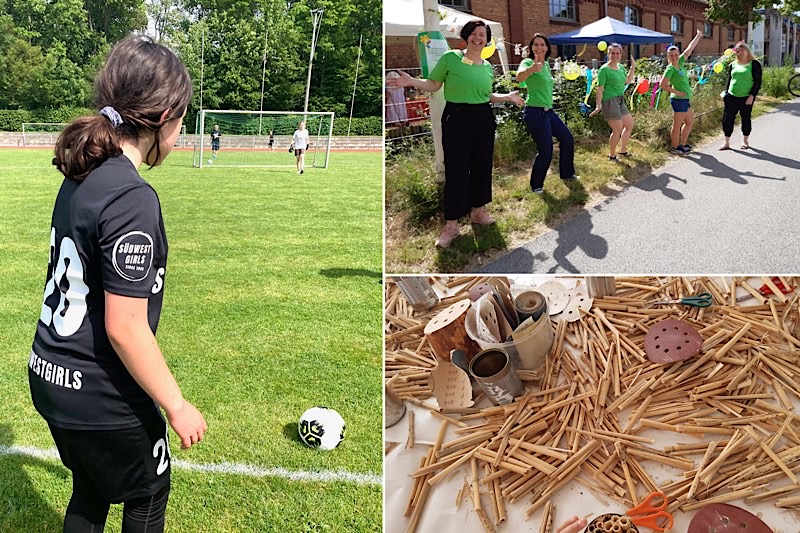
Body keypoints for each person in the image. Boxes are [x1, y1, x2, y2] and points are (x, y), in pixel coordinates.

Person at [31, 35, 207, 533]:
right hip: (97, 390)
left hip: (50, 373)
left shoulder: (83, 174)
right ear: (164, 116)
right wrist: (176, 404)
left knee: (90, 488)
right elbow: (125, 327)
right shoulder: (131, 197)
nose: (181, 133)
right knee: (147, 491)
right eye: (182, 119)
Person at [386, 20, 524, 248]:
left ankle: (478, 211)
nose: (479, 38)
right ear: (467, 36)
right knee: (457, 169)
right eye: (475, 34)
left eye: (483, 34)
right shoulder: (451, 58)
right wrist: (411, 81)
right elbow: (433, 85)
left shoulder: (487, 66)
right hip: (457, 116)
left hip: (482, 117)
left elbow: (486, 95)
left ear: (487, 39)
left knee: (481, 165)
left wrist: (507, 96)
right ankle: (451, 225)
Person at [516, 33, 579, 194]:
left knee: (567, 139)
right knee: (546, 149)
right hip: (535, 112)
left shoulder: (545, 65)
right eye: (536, 44)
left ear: (547, 48)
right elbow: (518, 77)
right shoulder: (528, 62)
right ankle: (536, 185)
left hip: (548, 112)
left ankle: (566, 173)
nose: (539, 47)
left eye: (542, 45)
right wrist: (531, 69)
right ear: (531, 48)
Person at [589, 43, 636, 161]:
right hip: (609, 101)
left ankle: (623, 150)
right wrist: (598, 105)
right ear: (608, 54)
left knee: (629, 124)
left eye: (617, 53)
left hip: (620, 100)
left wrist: (632, 67)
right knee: (617, 129)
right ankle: (612, 155)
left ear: (621, 54)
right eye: (612, 53)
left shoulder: (620, 67)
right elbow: (600, 89)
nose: (615, 55)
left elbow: (627, 81)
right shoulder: (604, 70)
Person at [661, 29, 704, 154]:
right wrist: (677, 92)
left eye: (676, 54)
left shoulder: (680, 62)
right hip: (678, 99)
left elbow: (689, 49)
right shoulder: (670, 69)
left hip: (685, 99)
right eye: (671, 55)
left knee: (690, 122)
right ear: (668, 57)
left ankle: (683, 144)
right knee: (677, 125)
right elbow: (663, 85)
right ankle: (675, 147)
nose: (674, 57)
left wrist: (698, 36)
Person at [719, 41, 762, 150]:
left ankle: (745, 141)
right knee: (727, 119)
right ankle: (727, 143)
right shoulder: (733, 64)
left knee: (745, 119)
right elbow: (730, 80)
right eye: (737, 51)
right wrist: (726, 93)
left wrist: (752, 96)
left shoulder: (754, 64)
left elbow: (757, 82)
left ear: (747, 51)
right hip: (731, 96)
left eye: (742, 50)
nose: (740, 53)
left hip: (746, 97)